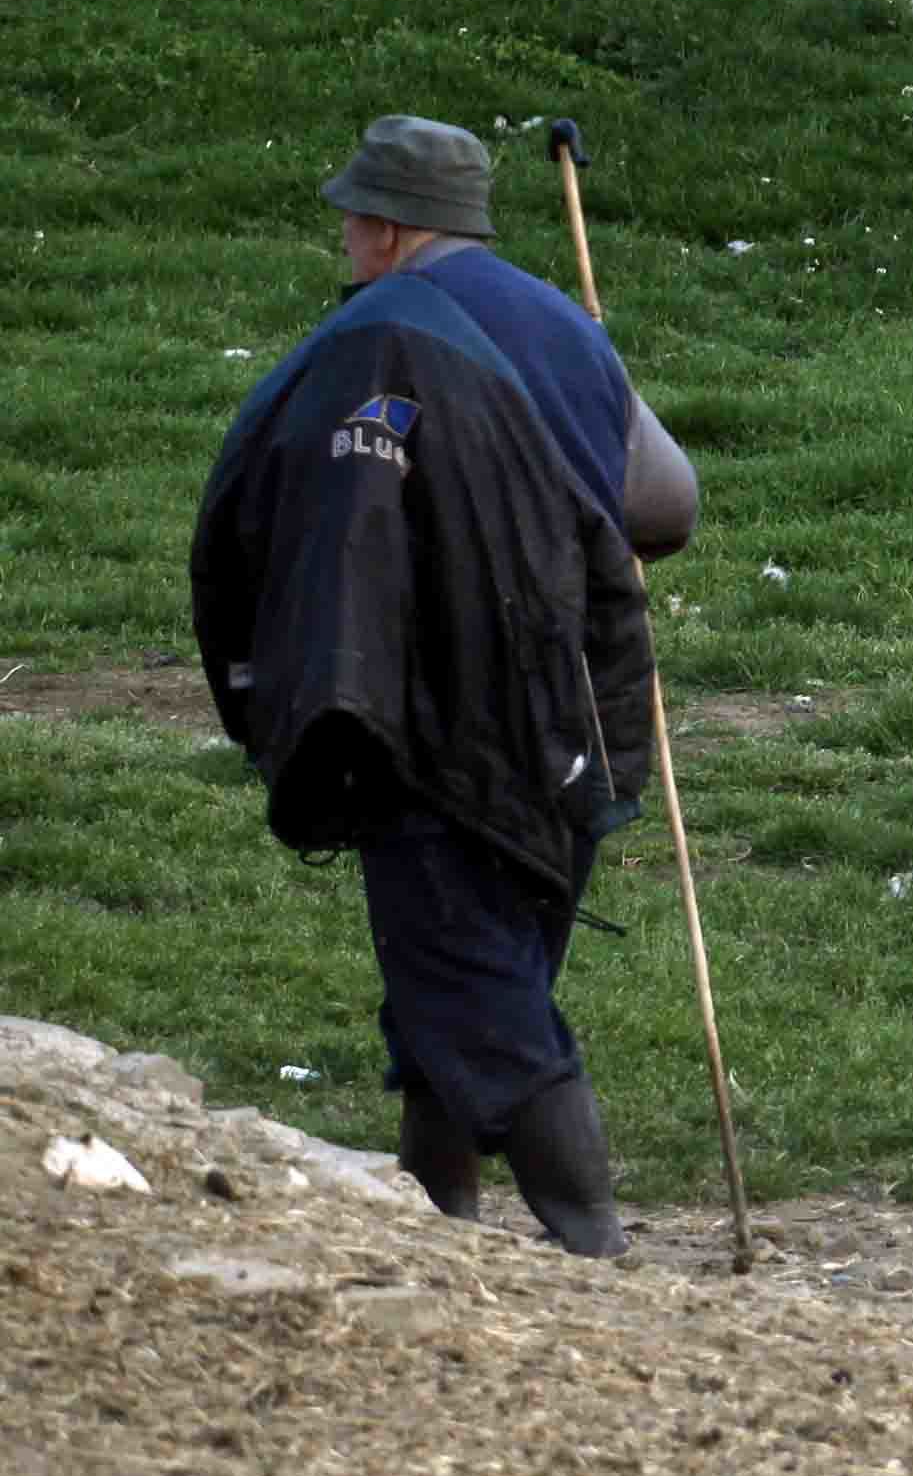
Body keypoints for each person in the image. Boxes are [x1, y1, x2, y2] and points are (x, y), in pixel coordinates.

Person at [190, 116, 698, 1257]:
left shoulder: (370, 339)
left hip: (428, 721)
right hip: (573, 715)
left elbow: (271, 517)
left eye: (349, 220)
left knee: (473, 985)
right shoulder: (565, 325)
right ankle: (440, 1225)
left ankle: (595, 1248)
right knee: (462, 972)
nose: (345, 239)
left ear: (382, 224)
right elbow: (667, 508)